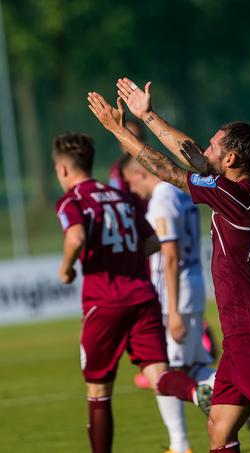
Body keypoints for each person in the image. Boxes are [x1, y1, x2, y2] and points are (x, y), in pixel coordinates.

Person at [87, 79, 250, 452]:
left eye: (215, 144)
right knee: (219, 429)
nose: (204, 147)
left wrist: (119, 130)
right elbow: (192, 153)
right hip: (242, 333)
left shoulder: (232, 197)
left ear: (230, 160)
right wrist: (147, 115)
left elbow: (169, 170)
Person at [52, 132, 212, 453]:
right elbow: (153, 241)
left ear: (64, 171)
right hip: (143, 298)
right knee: (158, 373)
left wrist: (67, 268)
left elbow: (76, 237)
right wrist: (127, 256)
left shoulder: (73, 200)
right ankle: (196, 393)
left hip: (104, 302)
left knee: (99, 392)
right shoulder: (119, 197)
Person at [121, 155, 219, 453]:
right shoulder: (179, 193)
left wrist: (173, 311)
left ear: (140, 173)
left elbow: (170, 255)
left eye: (130, 181)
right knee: (196, 366)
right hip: (193, 286)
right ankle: (245, 398)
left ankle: (180, 444)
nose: (131, 188)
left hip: (176, 294)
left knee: (166, 373)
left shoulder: (163, 199)